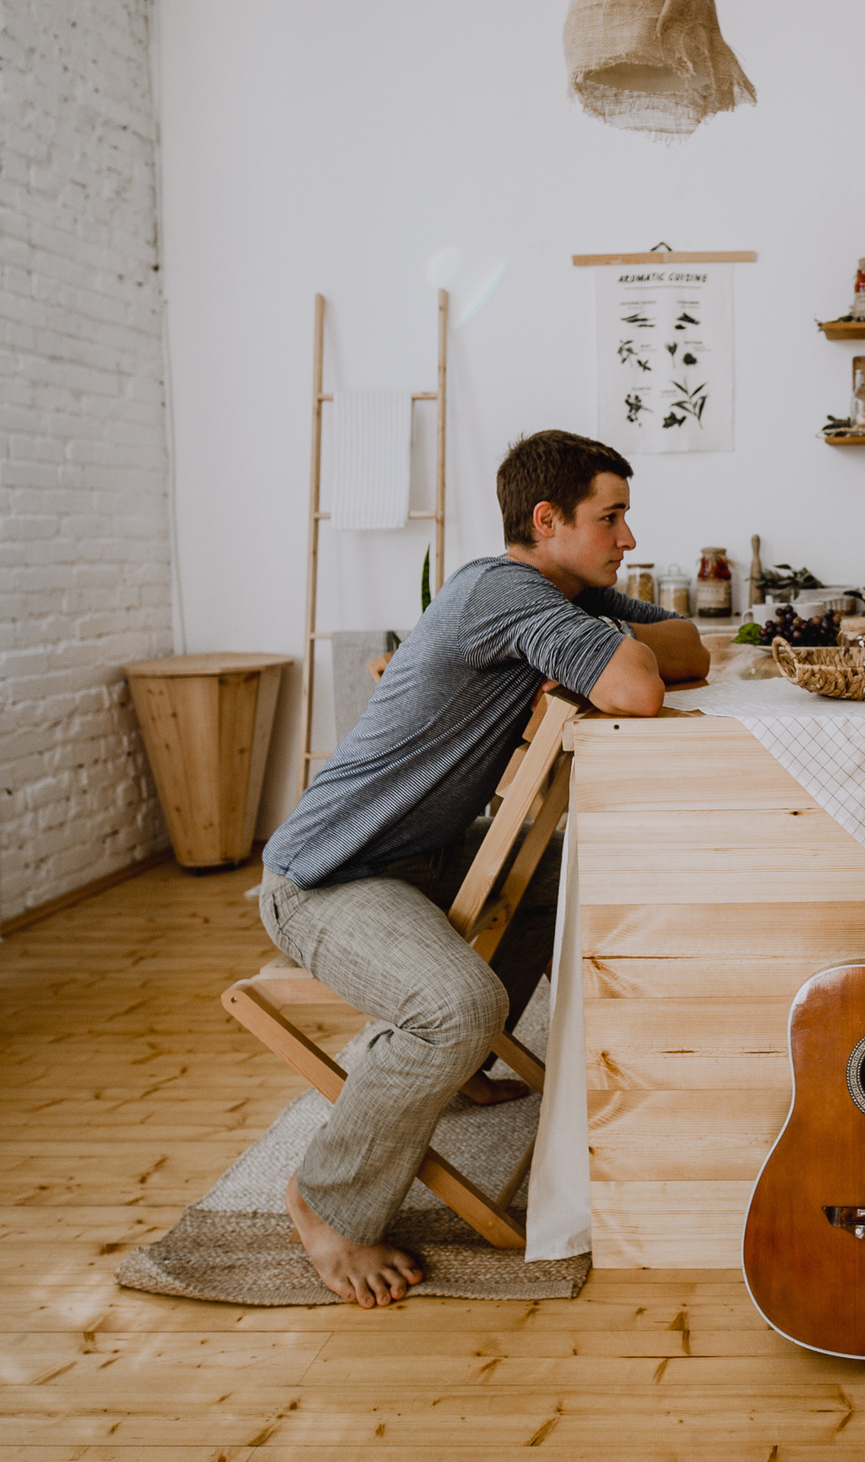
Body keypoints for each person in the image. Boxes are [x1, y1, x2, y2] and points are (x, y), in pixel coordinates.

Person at [255, 429, 709, 1307]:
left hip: (418, 859)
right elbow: (641, 686)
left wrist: (614, 635)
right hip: (329, 875)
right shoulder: (502, 590)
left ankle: (455, 1064)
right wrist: (619, 645)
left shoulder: (563, 594)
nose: (628, 539)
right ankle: (327, 1200)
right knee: (455, 1005)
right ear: (547, 519)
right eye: (610, 517)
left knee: (575, 871)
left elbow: (689, 644)